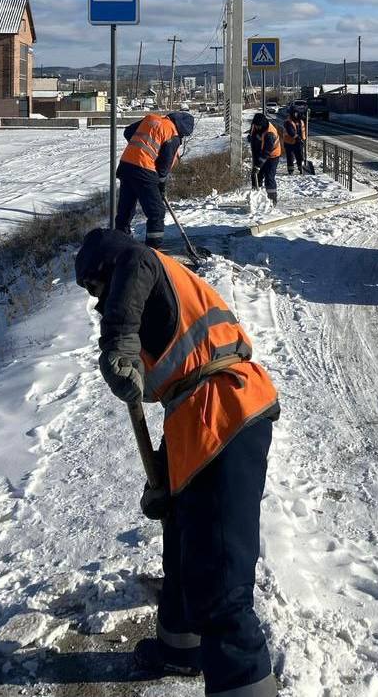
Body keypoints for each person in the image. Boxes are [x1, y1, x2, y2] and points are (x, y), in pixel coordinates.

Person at [75, 228, 280, 697]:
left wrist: (119, 341)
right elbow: (171, 382)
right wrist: (164, 480)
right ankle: (181, 648)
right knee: (183, 539)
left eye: (94, 286)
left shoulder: (140, 267)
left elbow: (137, 260)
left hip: (228, 412)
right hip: (198, 420)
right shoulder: (153, 300)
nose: (95, 300)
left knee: (220, 578)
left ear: (106, 265)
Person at [116, 111, 194, 248]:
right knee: (156, 212)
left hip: (126, 165)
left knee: (126, 209)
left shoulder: (151, 119)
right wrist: (161, 185)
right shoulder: (172, 134)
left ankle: (119, 243)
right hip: (144, 169)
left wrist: (141, 149)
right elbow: (164, 166)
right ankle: (153, 250)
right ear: (183, 129)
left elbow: (128, 132)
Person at [250, 113, 281, 205]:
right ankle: (255, 198)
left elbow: (266, 152)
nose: (256, 127)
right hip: (260, 153)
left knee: (269, 177)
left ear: (262, 124)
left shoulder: (269, 133)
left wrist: (258, 165)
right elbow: (253, 136)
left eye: (258, 126)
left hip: (272, 156)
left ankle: (272, 200)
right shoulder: (255, 126)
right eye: (255, 125)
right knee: (255, 175)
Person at [281, 108, 305, 176]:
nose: (297, 115)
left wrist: (301, 139)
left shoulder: (300, 121)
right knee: (290, 157)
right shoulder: (288, 121)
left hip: (298, 142)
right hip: (289, 142)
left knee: (300, 156)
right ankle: (290, 170)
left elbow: (302, 131)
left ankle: (301, 168)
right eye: (296, 114)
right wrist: (297, 137)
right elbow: (291, 132)